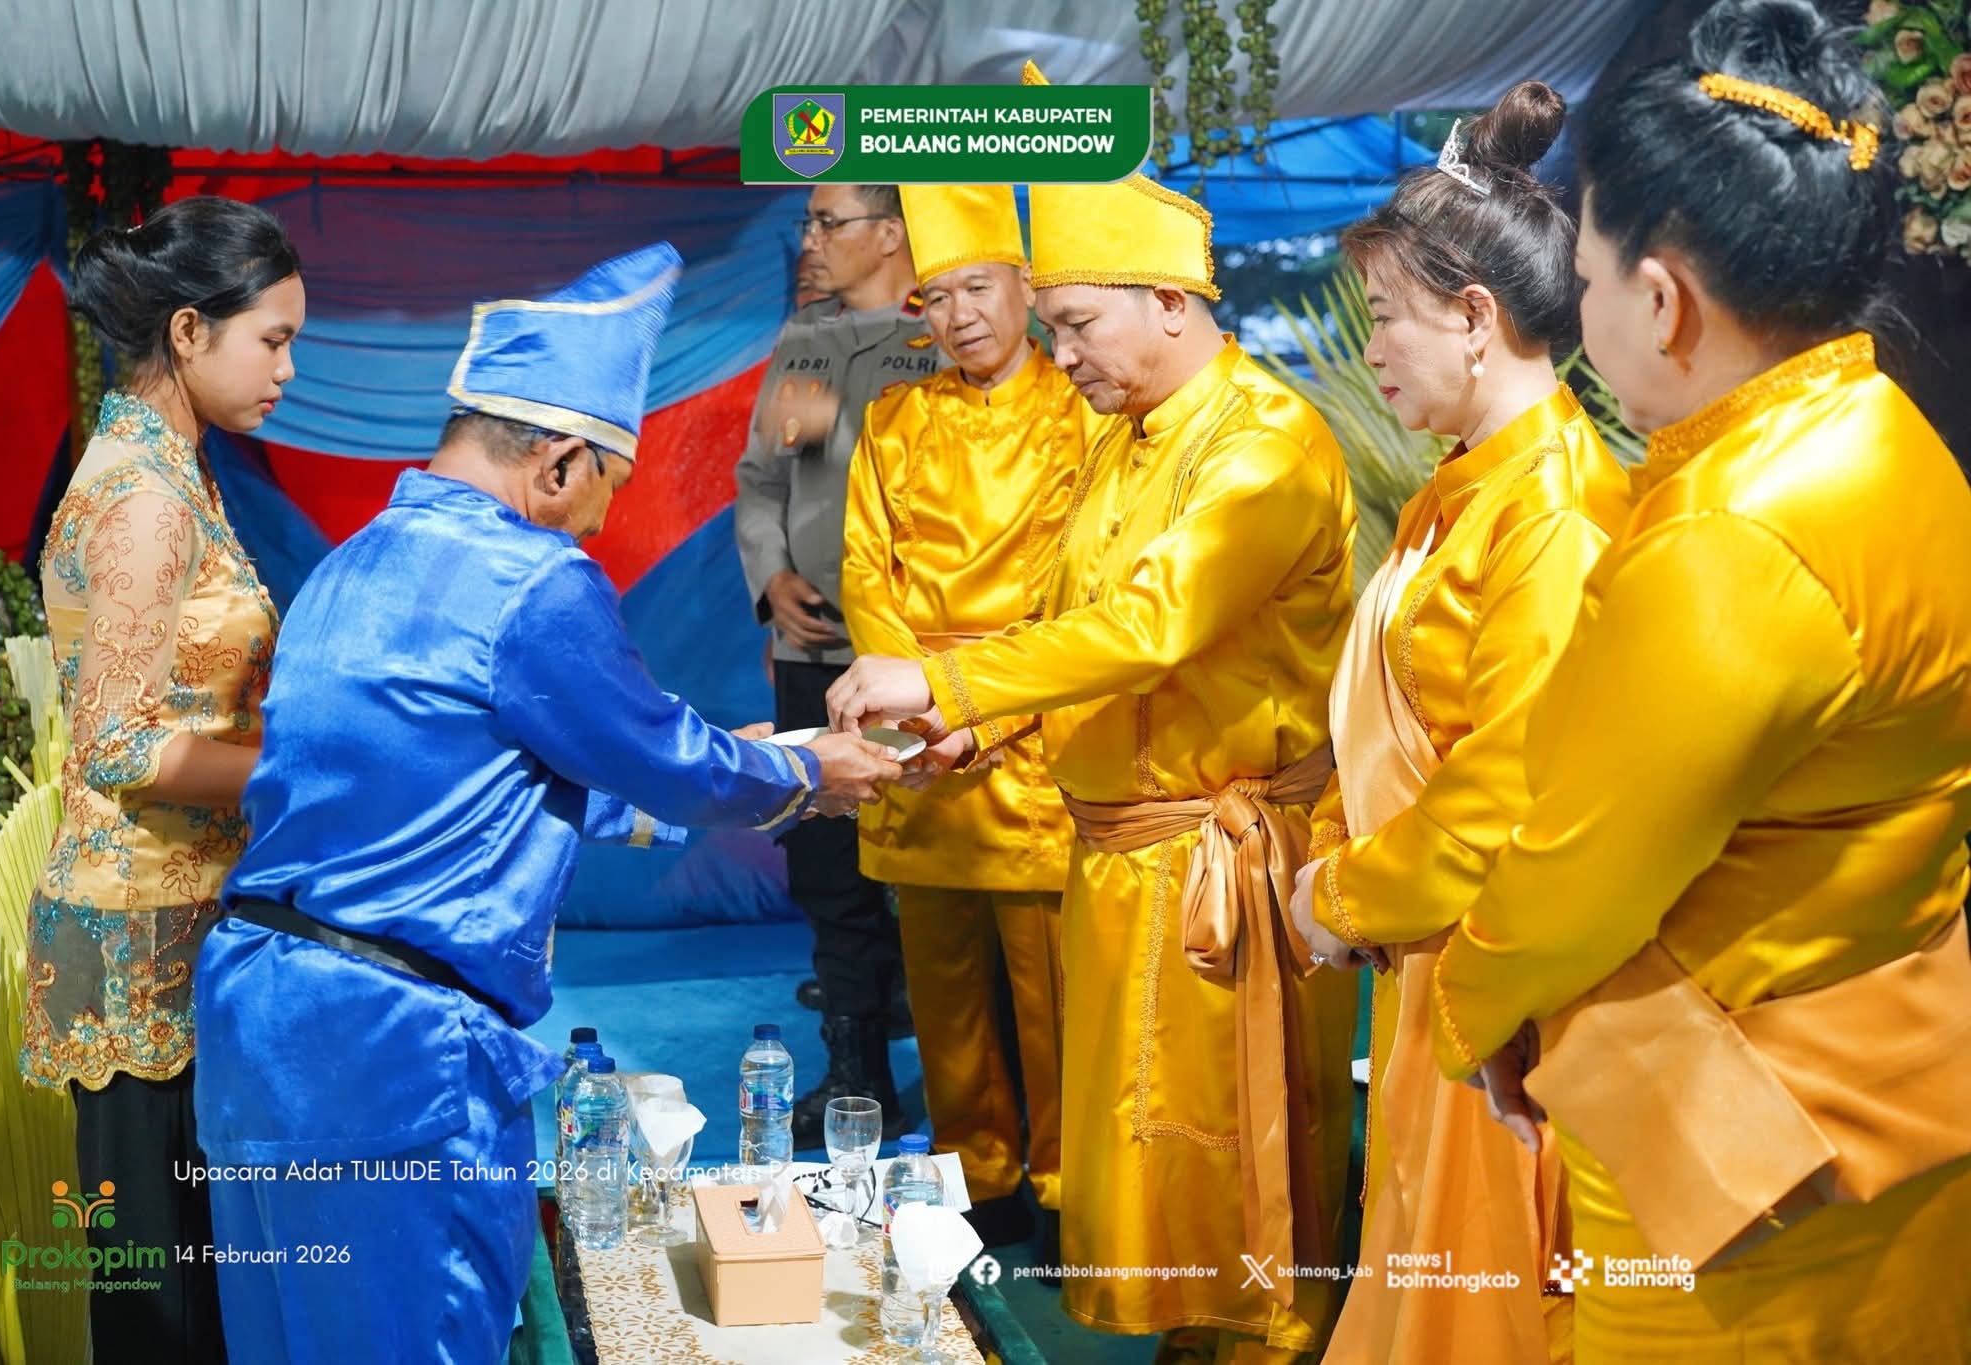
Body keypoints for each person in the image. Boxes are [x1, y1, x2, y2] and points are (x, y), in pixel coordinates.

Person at [191, 244, 906, 1363]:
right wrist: (813, 774)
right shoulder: (529, 576)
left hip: (259, 1028)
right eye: (609, 489)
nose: (597, 527)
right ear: (561, 463)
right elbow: (664, 760)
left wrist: (751, 756)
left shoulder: (350, 567)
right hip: (392, 1051)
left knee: (289, 1339)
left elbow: (487, 782)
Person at [1425, 3, 1971, 1361]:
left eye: (1587, 277)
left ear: (1660, 301)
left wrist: (1462, 1002)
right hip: (1897, 1072)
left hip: (1745, 1149)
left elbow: (1577, 875)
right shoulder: (1882, 429)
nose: (1582, 312)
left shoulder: (1730, 537)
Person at [828, 62, 1360, 1364]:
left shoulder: (1261, 445)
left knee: (1244, 1137)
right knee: (1158, 1148)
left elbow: (1148, 625)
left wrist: (947, 682)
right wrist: (978, 728)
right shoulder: (1128, 434)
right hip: (1121, 850)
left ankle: (1271, 1342)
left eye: (1072, 323)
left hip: (1218, 859)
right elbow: (1077, 628)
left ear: (1167, 302)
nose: (1059, 355)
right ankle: (1199, 1334)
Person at [1282, 83, 1630, 1365]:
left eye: (1385, 315)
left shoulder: (1550, 511)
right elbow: (1390, 712)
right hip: (1422, 954)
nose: (1369, 346)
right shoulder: (1461, 490)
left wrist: (1339, 895)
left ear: (1474, 318)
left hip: (1496, 984)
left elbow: (1507, 788)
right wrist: (1342, 863)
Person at [18, 195, 304, 1363]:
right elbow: (120, 745)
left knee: (189, 1287)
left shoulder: (170, 466)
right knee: (162, 1307)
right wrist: (301, 774)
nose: (289, 368)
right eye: (272, 340)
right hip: (141, 939)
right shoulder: (144, 496)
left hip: (178, 923)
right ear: (189, 332)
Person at [841, 182, 1093, 1240]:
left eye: (978, 289)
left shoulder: (1084, 415)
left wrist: (982, 710)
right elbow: (866, 570)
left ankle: (1068, 1185)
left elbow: (1080, 595)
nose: (958, 316)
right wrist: (915, 713)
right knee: (941, 992)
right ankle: (973, 1180)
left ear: (1025, 287)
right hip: (922, 745)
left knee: (1053, 994)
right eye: (937, 297)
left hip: (1030, 732)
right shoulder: (893, 419)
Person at [734, 182, 945, 1144]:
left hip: (914, 658)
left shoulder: (947, 338)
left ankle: (962, 1067)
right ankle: (857, 1073)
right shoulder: (810, 346)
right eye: (808, 223)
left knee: (932, 867)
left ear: (890, 233)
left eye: (829, 222)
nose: (811, 240)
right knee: (826, 864)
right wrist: (772, 577)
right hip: (812, 648)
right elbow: (765, 480)